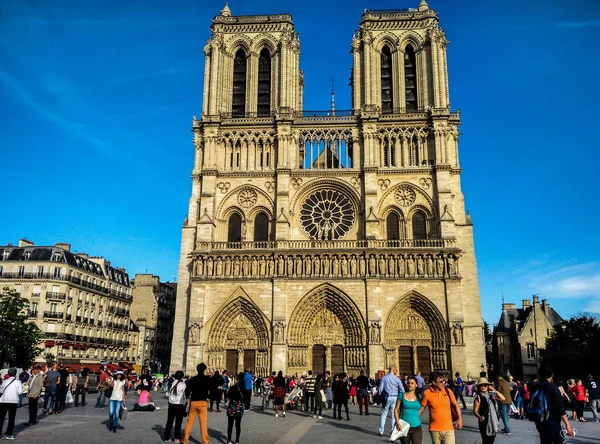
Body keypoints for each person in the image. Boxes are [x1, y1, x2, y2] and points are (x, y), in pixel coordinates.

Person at [531, 364, 574, 443]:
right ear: (552, 375)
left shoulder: (535, 387)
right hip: (553, 421)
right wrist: (568, 425)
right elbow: (560, 408)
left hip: (540, 421)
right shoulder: (553, 388)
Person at [419, 372, 463, 444]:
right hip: (434, 429)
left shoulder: (448, 391)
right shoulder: (427, 393)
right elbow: (422, 408)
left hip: (449, 428)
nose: (443, 383)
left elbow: (456, 405)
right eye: (441, 381)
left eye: (444, 381)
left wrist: (460, 419)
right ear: (433, 382)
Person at [183, 363, 210, 444]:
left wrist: (188, 397)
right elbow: (213, 386)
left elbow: (187, 390)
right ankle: (205, 441)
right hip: (202, 402)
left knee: (189, 423)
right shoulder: (207, 379)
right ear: (204, 370)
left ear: (197, 369)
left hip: (193, 402)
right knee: (203, 424)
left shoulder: (193, 379)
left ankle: (185, 440)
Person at [473, 377, 504, 444]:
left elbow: (503, 398)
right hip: (484, 422)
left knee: (491, 440)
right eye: (481, 385)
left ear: (488, 386)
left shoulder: (491, 395)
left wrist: (494, 390)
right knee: (486, 441)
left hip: (494, 421)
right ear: (478, 387)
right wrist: (479, 417)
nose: (483, 387)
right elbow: (475, 411)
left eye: (485, 385)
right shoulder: (478, 397)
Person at [394, 376, 423, 444]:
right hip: (404, 427)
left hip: (417, 427)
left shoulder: (419, 396)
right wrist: (397, 423)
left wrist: (416, 414)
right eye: (408, 383)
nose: (410, 385)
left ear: (416, 385)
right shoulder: (401, 395)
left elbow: (422, 408)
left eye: (412, 383)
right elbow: (396, 410)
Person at [378, 365, 405, 436]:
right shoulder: (397, 379)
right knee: (394, 414)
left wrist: (381, 397)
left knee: (384, 413)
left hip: (387, 397)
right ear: (393, 369)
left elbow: (380, 389)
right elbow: (402, 390)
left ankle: (381, 431)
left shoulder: (384, 378)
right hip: (395, 397)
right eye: (396, 370)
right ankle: (392, 430)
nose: (396, 371)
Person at [0, 367, 23, 440]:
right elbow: (20, 392)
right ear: (15, 374)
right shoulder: (18, 382)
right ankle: (9, 434)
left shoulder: (4, 381)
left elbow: (1, 390)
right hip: (13, 401)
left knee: (1, 418)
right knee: (11, 418)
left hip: (4, 401)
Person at [164, 370, 186, 443]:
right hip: (179, 404)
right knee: (178, 422)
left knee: (169, 421)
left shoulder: (172, 383)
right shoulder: (183, 384)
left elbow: (167, 393)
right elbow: (185, 395)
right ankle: (177, 438)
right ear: (182, 377)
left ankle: (166, 438)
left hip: (171, 404)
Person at [226, 373, 246, 444]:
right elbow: (246, 398)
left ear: (237, 379)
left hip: (232, 407)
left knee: (230, 425)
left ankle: (229, 440)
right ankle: (237, 441)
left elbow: (227, 396)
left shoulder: (233, 387)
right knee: (238, 425)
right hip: (239, 407)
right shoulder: (244, 388)